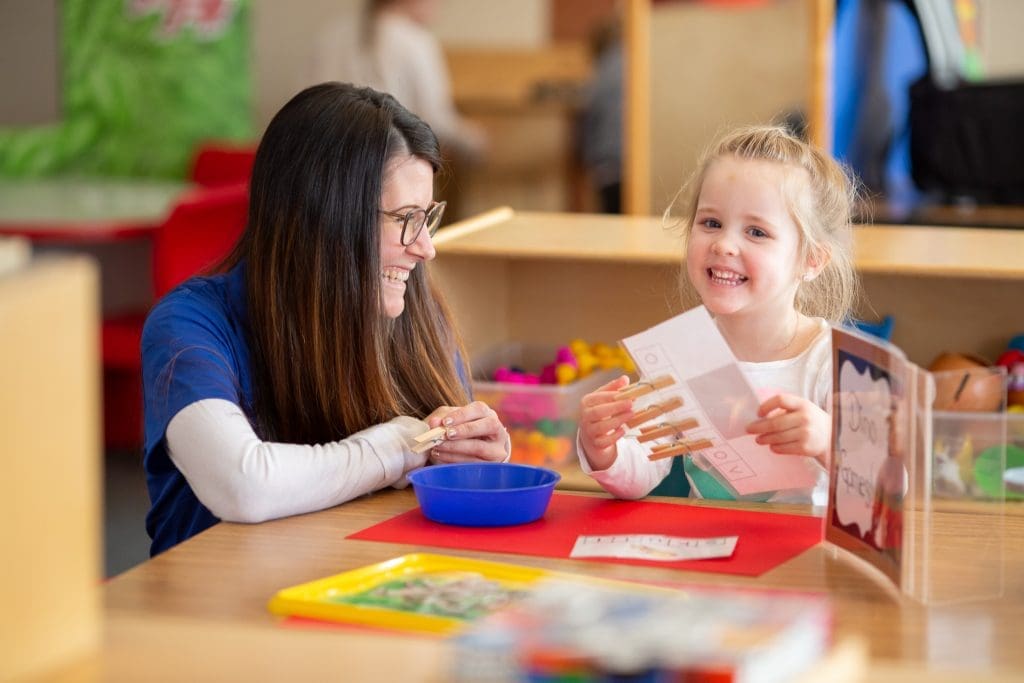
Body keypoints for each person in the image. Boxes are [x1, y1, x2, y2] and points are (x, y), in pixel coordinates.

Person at [141, 83, 509, 556]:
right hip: (216, 611)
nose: (425, 246)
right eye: (405, 218)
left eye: (427, 218)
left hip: (354, 582)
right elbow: (245, 483)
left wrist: (480, 455)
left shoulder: (415, 309)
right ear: (325, 220)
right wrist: (398, 447)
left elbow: (439, 465)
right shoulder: (188, 325)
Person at [577, 125, 860, 505]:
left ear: (811, 260)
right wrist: (602, 447)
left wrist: (829, 442)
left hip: (805, 560)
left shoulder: (836, 362)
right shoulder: (678, 353)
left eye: (757, 232)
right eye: (711, 223)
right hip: (708, 554)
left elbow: (888, 490)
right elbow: (641, 472)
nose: (724, 244)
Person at [310, 0, 486, 161]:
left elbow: (307, 105)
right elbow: (437, 122)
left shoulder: (331, 35)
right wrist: (477, 141)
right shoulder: (415, 42)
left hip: (323, 166)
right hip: (388, 168)